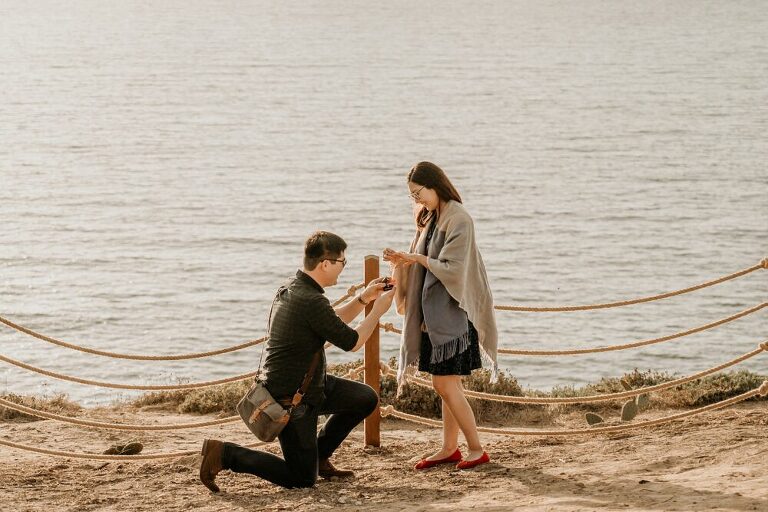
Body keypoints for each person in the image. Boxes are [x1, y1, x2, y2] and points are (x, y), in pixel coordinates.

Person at [200, 231, 395, 491]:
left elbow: (329, 319)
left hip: (312, 387)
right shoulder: (310, 299)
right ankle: (225, 454)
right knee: (301, 479)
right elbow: (352, 342)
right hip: (292, 399)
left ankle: (319, 456)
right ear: (326, 263)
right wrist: (378, 311)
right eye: (342, 263)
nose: (342, 269)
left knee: (365, 398)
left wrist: (363, 299)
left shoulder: (294, 288)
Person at [384, 161, 498, 470]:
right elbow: (423, 262)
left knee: (444, 386)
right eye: (412, 195)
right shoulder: (431, 217)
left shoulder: (459, 218)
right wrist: (402, 261)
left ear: (435, 185)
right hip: (432, 316)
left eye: (418, 193)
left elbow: (454, 269)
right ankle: (450, 448)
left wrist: (416, 257)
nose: (416, 200)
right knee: (449, 386)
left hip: (453, 318)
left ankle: (476, 449)